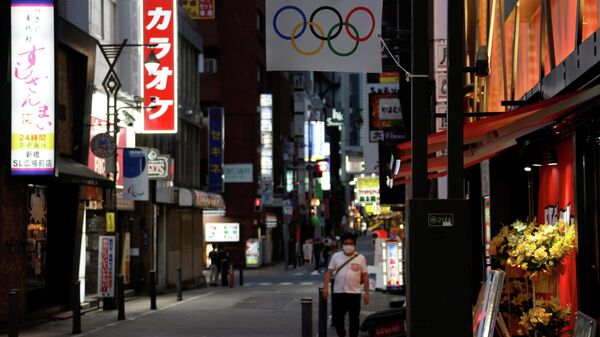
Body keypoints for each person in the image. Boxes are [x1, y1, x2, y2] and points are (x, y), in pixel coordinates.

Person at [322, 232, 369, 337]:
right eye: (346, 243)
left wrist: (366, 293)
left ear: (355, 245)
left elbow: (365, 276)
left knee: (354, 319)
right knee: (338, 319)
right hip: (339, 293)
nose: (348, 246)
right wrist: (325, 287)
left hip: (354, 293)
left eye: (351, 243)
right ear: (342, 244)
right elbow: (329, 272)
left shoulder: (360, 258)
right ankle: (341, 334)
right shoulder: (336, 257)